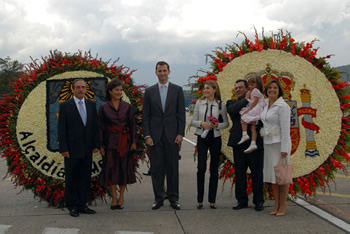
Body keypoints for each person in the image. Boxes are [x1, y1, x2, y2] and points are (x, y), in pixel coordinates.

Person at [142, 61, 185, 210]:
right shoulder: (149, 92)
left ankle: (174, 199)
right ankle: (158, 198)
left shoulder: (178, 90)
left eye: (164, 70)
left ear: (169, 71)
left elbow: (181, 115)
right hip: (155, 137)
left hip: (172, 136)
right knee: (157, 169)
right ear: (156, 73)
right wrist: (147, 135)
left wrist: (180, 134)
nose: (162, 73)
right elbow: (145, 116)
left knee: (173, 169)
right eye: (159, 71)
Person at [58, 79, 99, 217]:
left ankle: (82, 204)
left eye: (83, 87)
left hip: (87, 149)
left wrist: (95, 144)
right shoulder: (65, 105)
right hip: (71, 150)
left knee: (85, 178)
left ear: (86, 89)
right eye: (78, 87)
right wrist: (64, 148)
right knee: (72, 178)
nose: (81, 89)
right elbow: (61, 129)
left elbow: (94, 127)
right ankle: (72, 206)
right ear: (73, 89)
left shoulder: (91, 105)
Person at [98, 79, 137, 210]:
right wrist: (101, 145)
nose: (119, 92)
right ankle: (114, 198)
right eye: (116, 90)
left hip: (125, 143)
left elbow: (132, 125)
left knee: (123, 170)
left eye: (121, 90)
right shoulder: (103, 107)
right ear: (110, 91)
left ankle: (122, 198)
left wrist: (133, 142)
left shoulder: (127, 107)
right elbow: (101, 127)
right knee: (111, 171)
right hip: (110, 143)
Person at [226, 79, 264, 212]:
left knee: (257, 173)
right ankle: (241, 200)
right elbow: (232, 111)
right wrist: (247, 98)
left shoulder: (258, 101)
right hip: (239, 143)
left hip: (255, 142)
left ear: (247, 88)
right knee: (240, 173)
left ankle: (259, 200)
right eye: (236, 88)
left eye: (240, 87)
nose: (237, 90)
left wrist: (251, 98)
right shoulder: (232, 102)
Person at [191, 80, 229, 209]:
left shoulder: (221, 105)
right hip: (202, 136)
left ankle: (212, 200)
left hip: (215, 137)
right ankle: (199, 199)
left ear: (214, 90)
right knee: (201, 167)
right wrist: (201, 123)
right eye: (204, 88)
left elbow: (226, 124)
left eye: (208, 88)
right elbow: (193, 121)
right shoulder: (199, 103)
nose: (205, 90)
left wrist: (218, 125)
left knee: (213, 169)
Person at [260, 80, 291, 216]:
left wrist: (284, 149)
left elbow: (285, 129)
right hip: (268, 144)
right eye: (269, 88)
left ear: (279, 91)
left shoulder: (283, 106)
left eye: (275, 88)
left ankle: (283, 204)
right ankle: (276, 204)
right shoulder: (265, 104)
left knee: (282, 176)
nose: (272, 90)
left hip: (280, 145)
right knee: (273, 176)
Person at [237, 76, 264, 153]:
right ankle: (253, 143)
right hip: (255, 108)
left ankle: (244, 134)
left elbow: (255, 101)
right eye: (249, 84)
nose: (250, 86)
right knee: (253, 127)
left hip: (255, 108)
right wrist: (248, 93)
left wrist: (250, 109)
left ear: (258, 84)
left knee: (243, 118)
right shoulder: (252, 91)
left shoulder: (256, 91)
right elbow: (247, 99)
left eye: (253, 84)